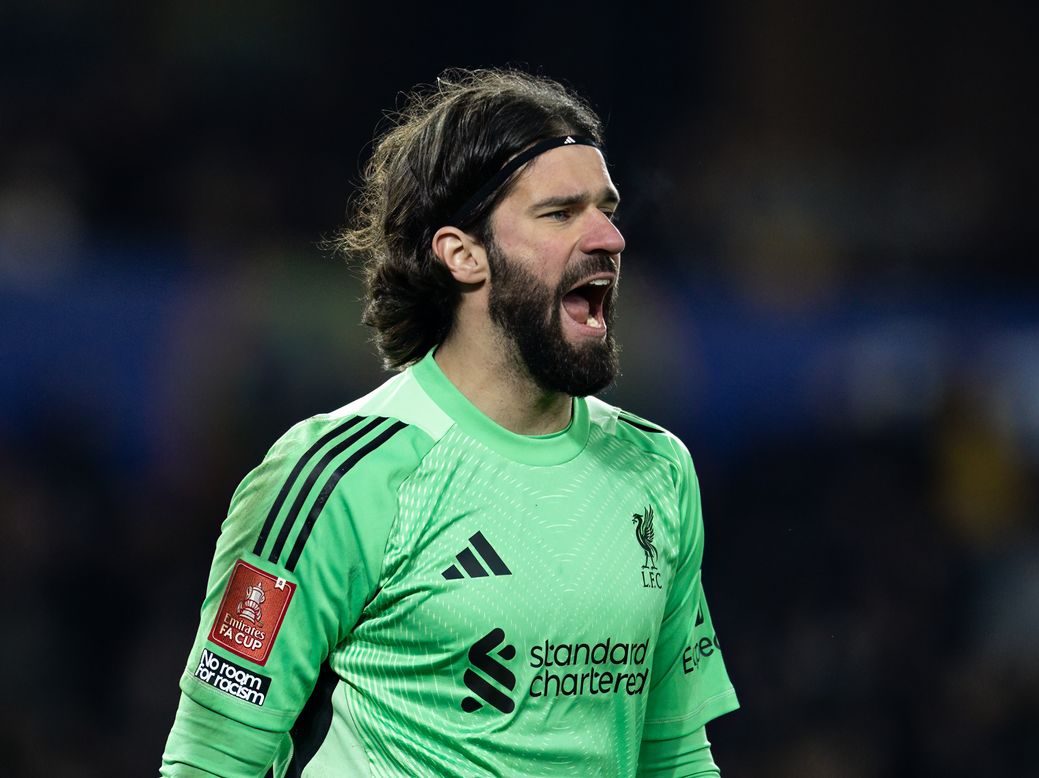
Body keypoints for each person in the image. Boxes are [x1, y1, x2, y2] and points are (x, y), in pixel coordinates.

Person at [160, 68, 738, 777]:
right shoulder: (335, 477)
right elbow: (212, 761)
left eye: (606, 209)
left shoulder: (656, 469)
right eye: (560, 213)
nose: (609, 237)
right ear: (463, 253)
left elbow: (676, 757)